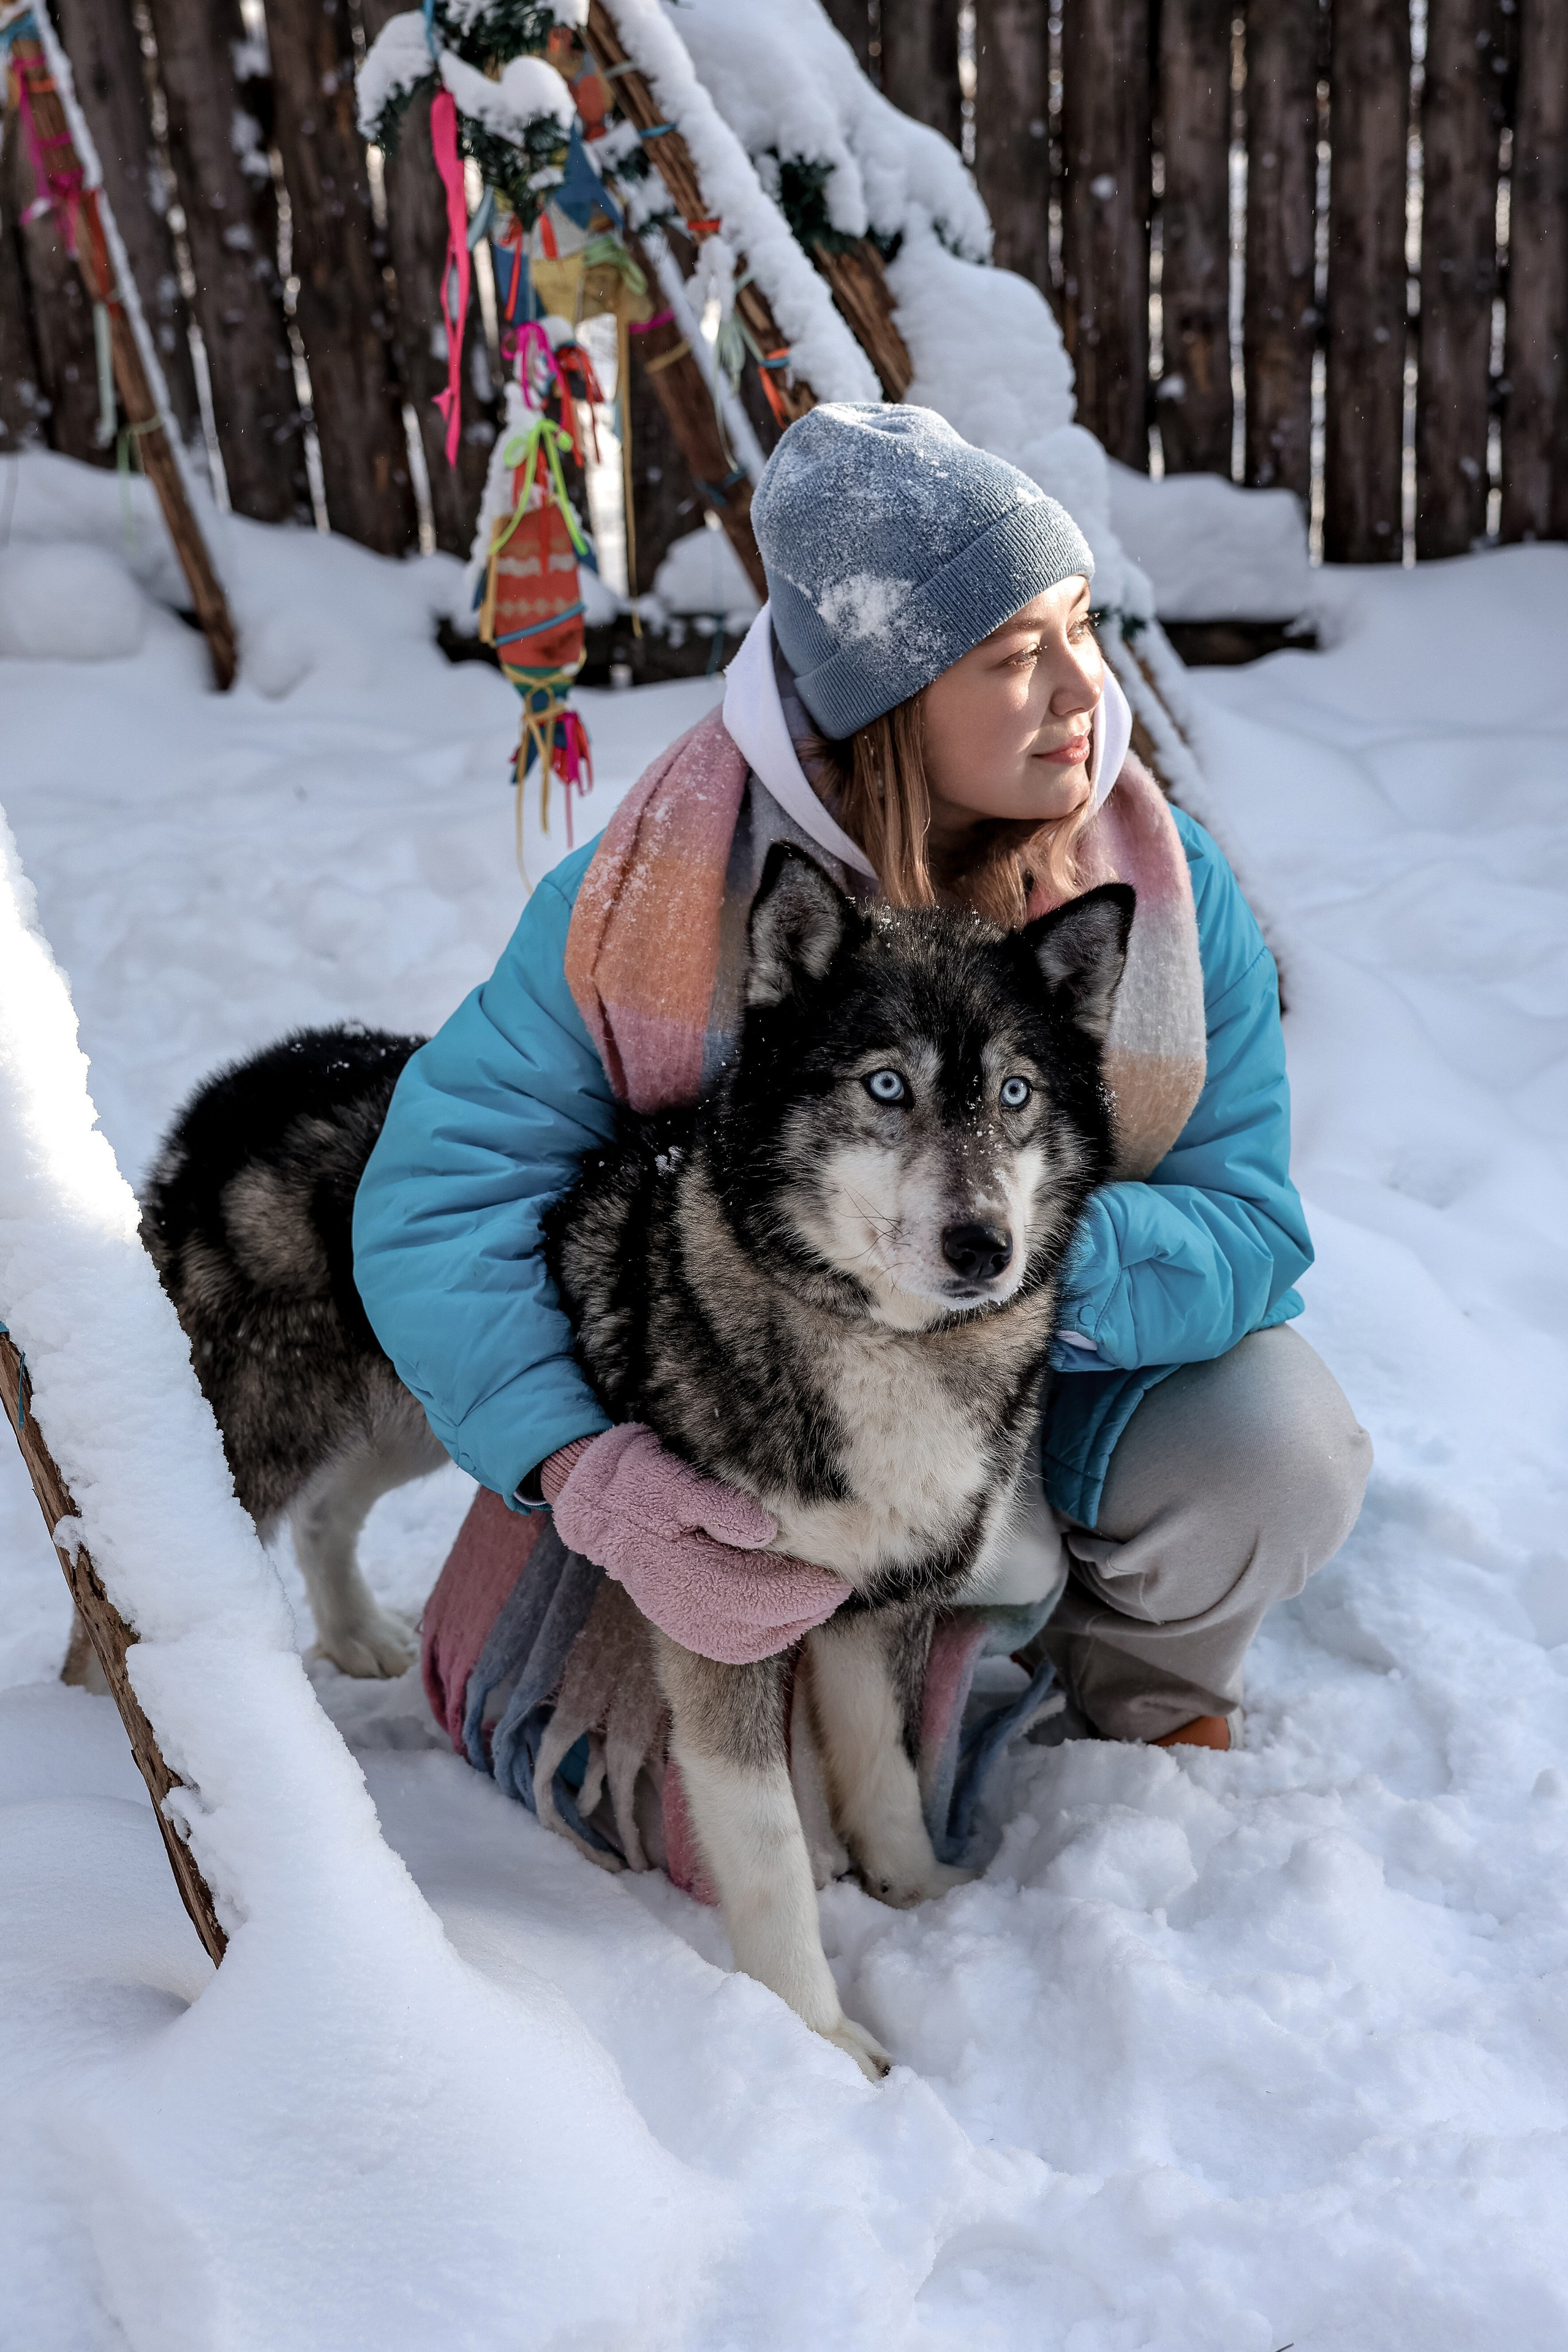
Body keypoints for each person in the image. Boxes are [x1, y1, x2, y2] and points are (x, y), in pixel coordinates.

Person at [353, 404, 1371, 1757]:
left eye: (1080, 628)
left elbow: (1246, 1222)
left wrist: (1005, 1265)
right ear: (890, 702)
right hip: (753, 1407)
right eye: (1018, 655)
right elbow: (442, 1198)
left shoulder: (1160, 891)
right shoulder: (654, 895)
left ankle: (1128, 1676)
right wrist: (580, 1467)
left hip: (1073, 1363)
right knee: (706, 1800)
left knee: (1275, 1451)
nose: (1084, 689)